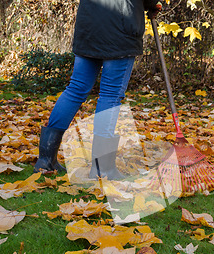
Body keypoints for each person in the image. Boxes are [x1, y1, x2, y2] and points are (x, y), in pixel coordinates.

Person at [34, 0, 162, 179]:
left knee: (76, 89)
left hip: (89, 26)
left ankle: (45, 160)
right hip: (121, 29)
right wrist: (151, 4)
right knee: (110, 95)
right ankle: (103, 168)